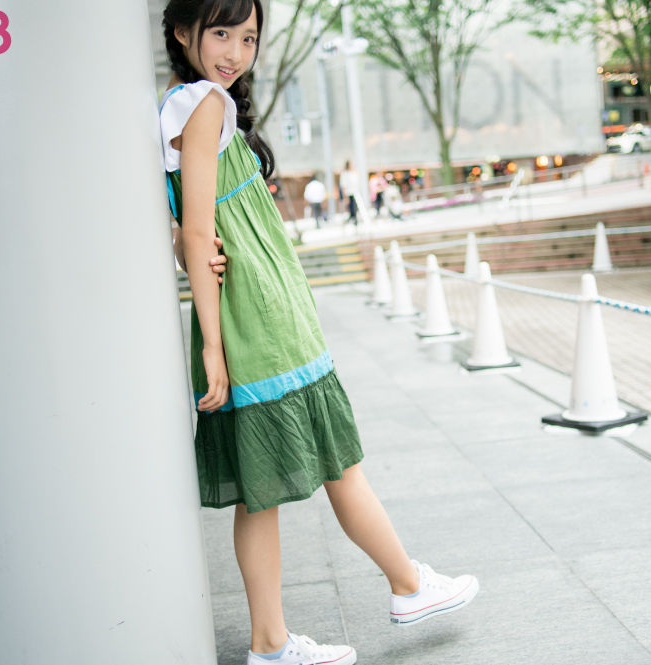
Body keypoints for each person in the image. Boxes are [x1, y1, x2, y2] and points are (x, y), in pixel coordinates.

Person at [158, 2, 479, 665]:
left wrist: (187, 253)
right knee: (338, 460)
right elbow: (199, 229)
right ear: (183, 32)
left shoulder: (176, 105)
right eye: (221, 33)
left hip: (255, 313)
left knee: (264, 493)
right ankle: (406, 585)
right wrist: (213, 345)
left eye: (248, 37)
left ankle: (278, 640)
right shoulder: (205, 104)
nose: (235, 51)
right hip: (263, 318)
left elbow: (187, 227)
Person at [339, 159, 359, 226]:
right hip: (349, 193)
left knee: (355, 208)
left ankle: (355, 220)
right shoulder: (345, 174)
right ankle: (352, 220)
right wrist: (345, 197)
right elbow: (343, 186)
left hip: (355, 193)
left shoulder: (353, 173)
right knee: (351, 208)